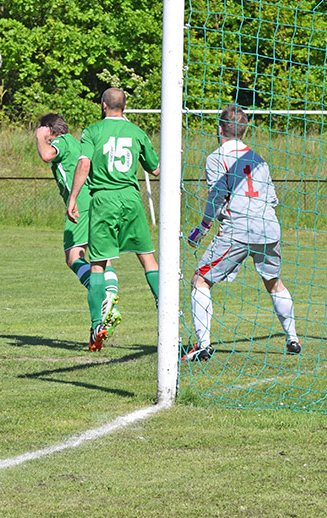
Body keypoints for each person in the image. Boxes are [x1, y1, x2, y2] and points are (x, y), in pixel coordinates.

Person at [183, 105, 301, 361]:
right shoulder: (259, 159)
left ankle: (203, 345)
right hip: (269, 227)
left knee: (201, 279)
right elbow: (271, 199)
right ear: (244, 130)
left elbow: (216, 195)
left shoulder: (217, 158)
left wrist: (202, 227)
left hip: (237, 228)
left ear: (219, 128)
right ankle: (292, 338)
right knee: (273, 282)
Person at [67, 88, 161, 351]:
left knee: (97, 264)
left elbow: (84, 164)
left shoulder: (92, 131)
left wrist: (73, 197)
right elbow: (154, 168)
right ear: (125, 107)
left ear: (103, 104)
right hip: (131, 199)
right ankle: (164, 311)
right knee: (147, 257)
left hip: (104, 200)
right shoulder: (137, 132)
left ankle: (97, 324)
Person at [35, 113, 121, 337]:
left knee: (73, 257)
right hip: (99, 202)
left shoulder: (61, 142)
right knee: (101, 257)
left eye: (42, 128)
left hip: (81, 204)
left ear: (49, 129)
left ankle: (105, 298)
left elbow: (46, 155)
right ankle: (110, 297)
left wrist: (40, 137)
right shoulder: (77, 142)